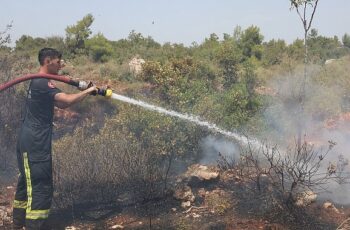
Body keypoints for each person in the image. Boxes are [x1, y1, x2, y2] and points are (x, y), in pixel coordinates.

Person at [12, 48, 97, 229]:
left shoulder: (38, 82)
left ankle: (18, 224)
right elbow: (65, 100)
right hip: (35, 143)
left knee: (27, 182)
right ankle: (35, 225)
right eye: (59, 61)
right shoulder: (42, 83)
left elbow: (59, 104)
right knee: (40, 185)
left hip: (31, 140)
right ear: (48, 61)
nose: (61, 64)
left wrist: (85, 90)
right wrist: (89, 91)